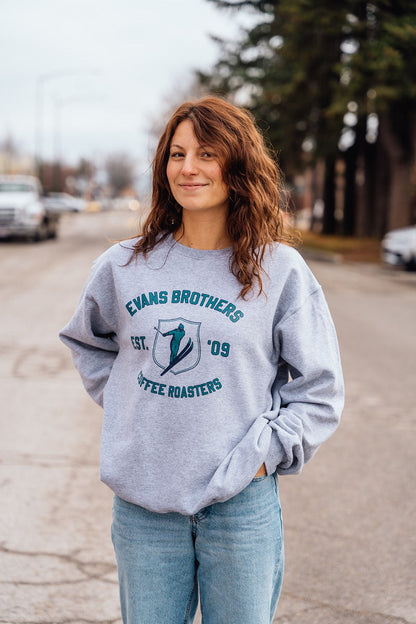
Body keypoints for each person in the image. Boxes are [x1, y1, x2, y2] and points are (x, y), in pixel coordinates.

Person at [60, 96, 344, 624]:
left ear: (237, 167)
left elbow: (319, 388)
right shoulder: (123, 266)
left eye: (207, 153)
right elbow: (88, 341)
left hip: (240, 505)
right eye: (176, 153)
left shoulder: (278, 269)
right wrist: (127, 399)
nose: (188, 168)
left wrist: (266, 453)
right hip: (145, 510)